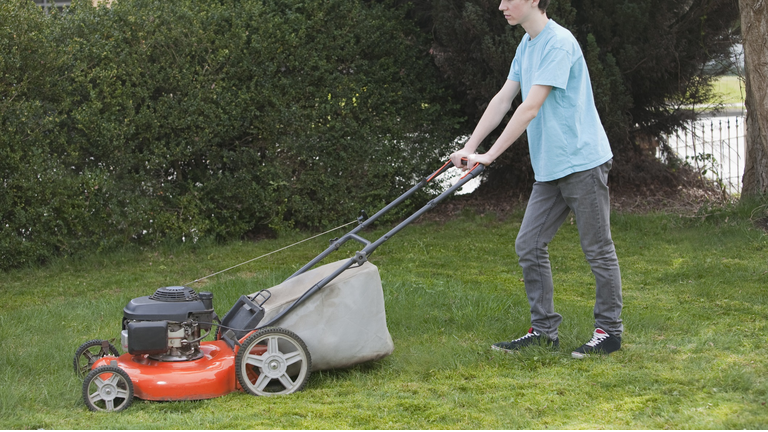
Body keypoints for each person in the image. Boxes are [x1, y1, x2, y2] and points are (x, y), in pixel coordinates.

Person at [450, 0, 623, 358]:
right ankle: (544, 331)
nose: (501, 6)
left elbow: (530, 107)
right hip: (551, 167)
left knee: (597, 250)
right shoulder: (527, 44)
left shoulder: (559, 43)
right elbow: (504, 99)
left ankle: (609, 332)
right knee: (529, 245)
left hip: (582, 162)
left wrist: (489, 156)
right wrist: (469, 147)